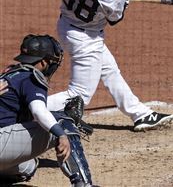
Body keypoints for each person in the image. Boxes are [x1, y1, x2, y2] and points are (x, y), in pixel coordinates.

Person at [47, 0, 173, 131]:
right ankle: (21, 107)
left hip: (66, 26)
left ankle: (140, 114)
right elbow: (114, 19)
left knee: (110, 71)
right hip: (85, 40)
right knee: (79, 95)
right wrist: (122, 2)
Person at [0, 34, 99, 186]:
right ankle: (84, 184)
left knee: (29, 166)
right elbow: (39, 111)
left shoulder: (9, 74)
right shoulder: (31, 76)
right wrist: (61, 133)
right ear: (43, 62)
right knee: (63, 120)